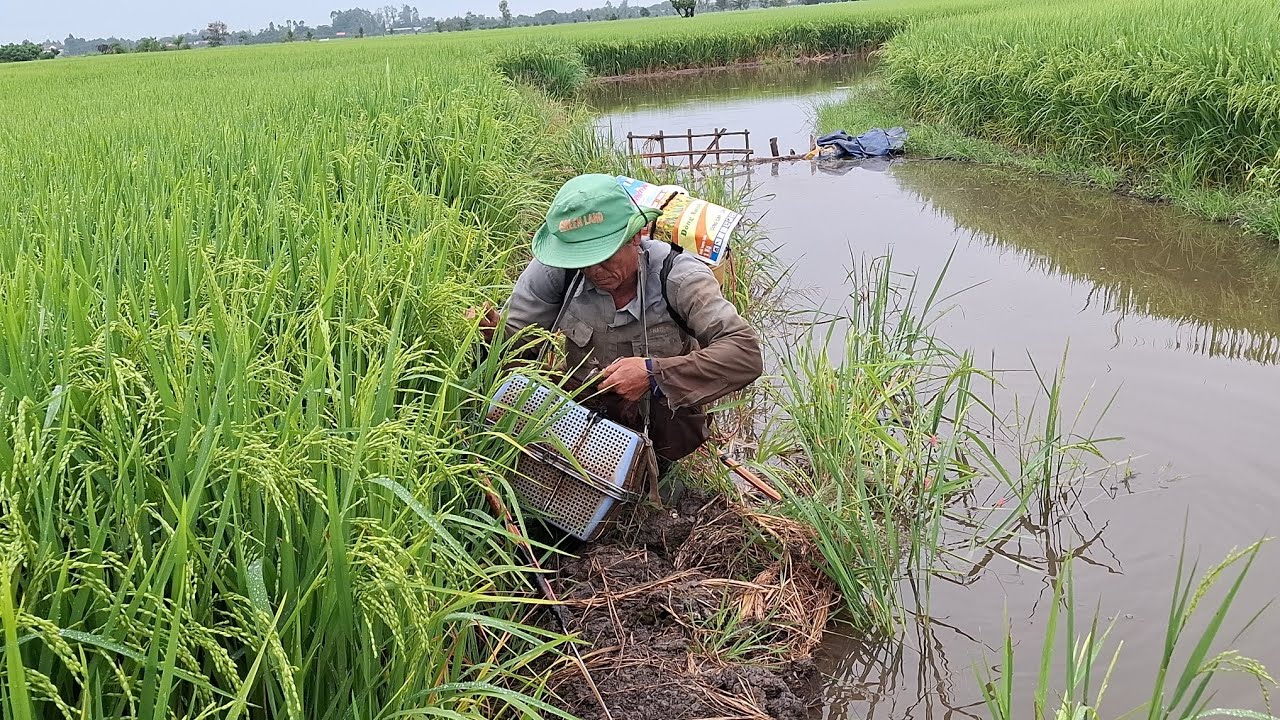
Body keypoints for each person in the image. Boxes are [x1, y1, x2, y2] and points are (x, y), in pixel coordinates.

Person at [477, 173, 763, 472]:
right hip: (581, 402)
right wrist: (490, 333)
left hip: (661, 418)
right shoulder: (556, 271)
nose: (593, 270)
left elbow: (745, 354)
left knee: (664, 440)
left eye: (604, 257)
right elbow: (516, 348)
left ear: (636, 237)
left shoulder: (681, 277)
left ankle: (653, 470)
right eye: (581, 259)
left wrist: (653, 374)